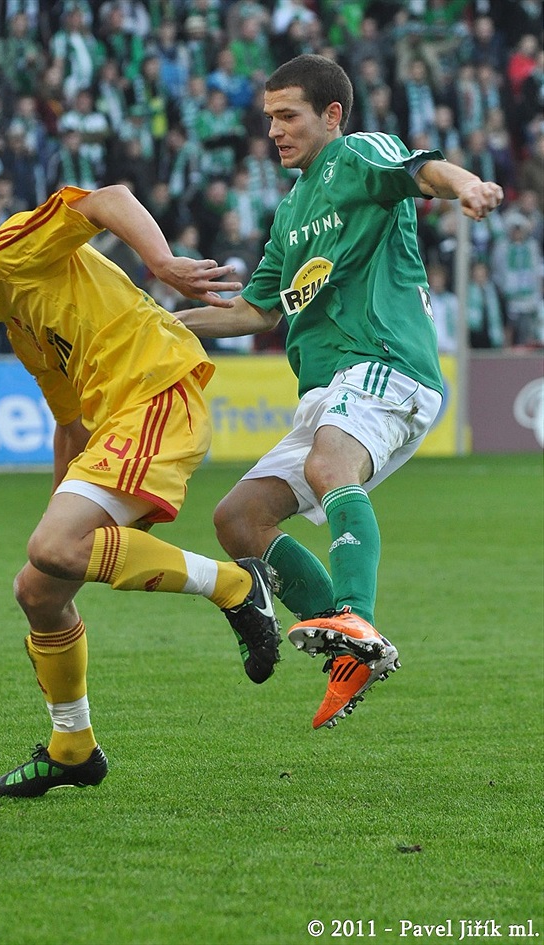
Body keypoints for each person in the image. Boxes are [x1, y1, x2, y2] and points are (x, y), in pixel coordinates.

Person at [0, 184, 282, 798]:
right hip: (118, 423)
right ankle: (73, 747)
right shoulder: (17, 322)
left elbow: (107, 200)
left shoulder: (14, 251)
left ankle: (237, 586)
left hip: (156, 395)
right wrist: (56, 514)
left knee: (53, 548)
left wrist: (161, 263)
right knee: (38, 588)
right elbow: (70, 423)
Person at [178, 54, 503, 731]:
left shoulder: (359, 153)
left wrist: (465, 183)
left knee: (331, 468)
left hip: (388, 362)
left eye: (288, 116)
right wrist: (163, 325)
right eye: (269, 118)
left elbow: (419, 170)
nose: (274, 130)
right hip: (329, 388)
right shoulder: (292, 209)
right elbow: (256, 311)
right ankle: (348, 649)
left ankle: (356, 616)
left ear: (331, 115)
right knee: (239, 519)